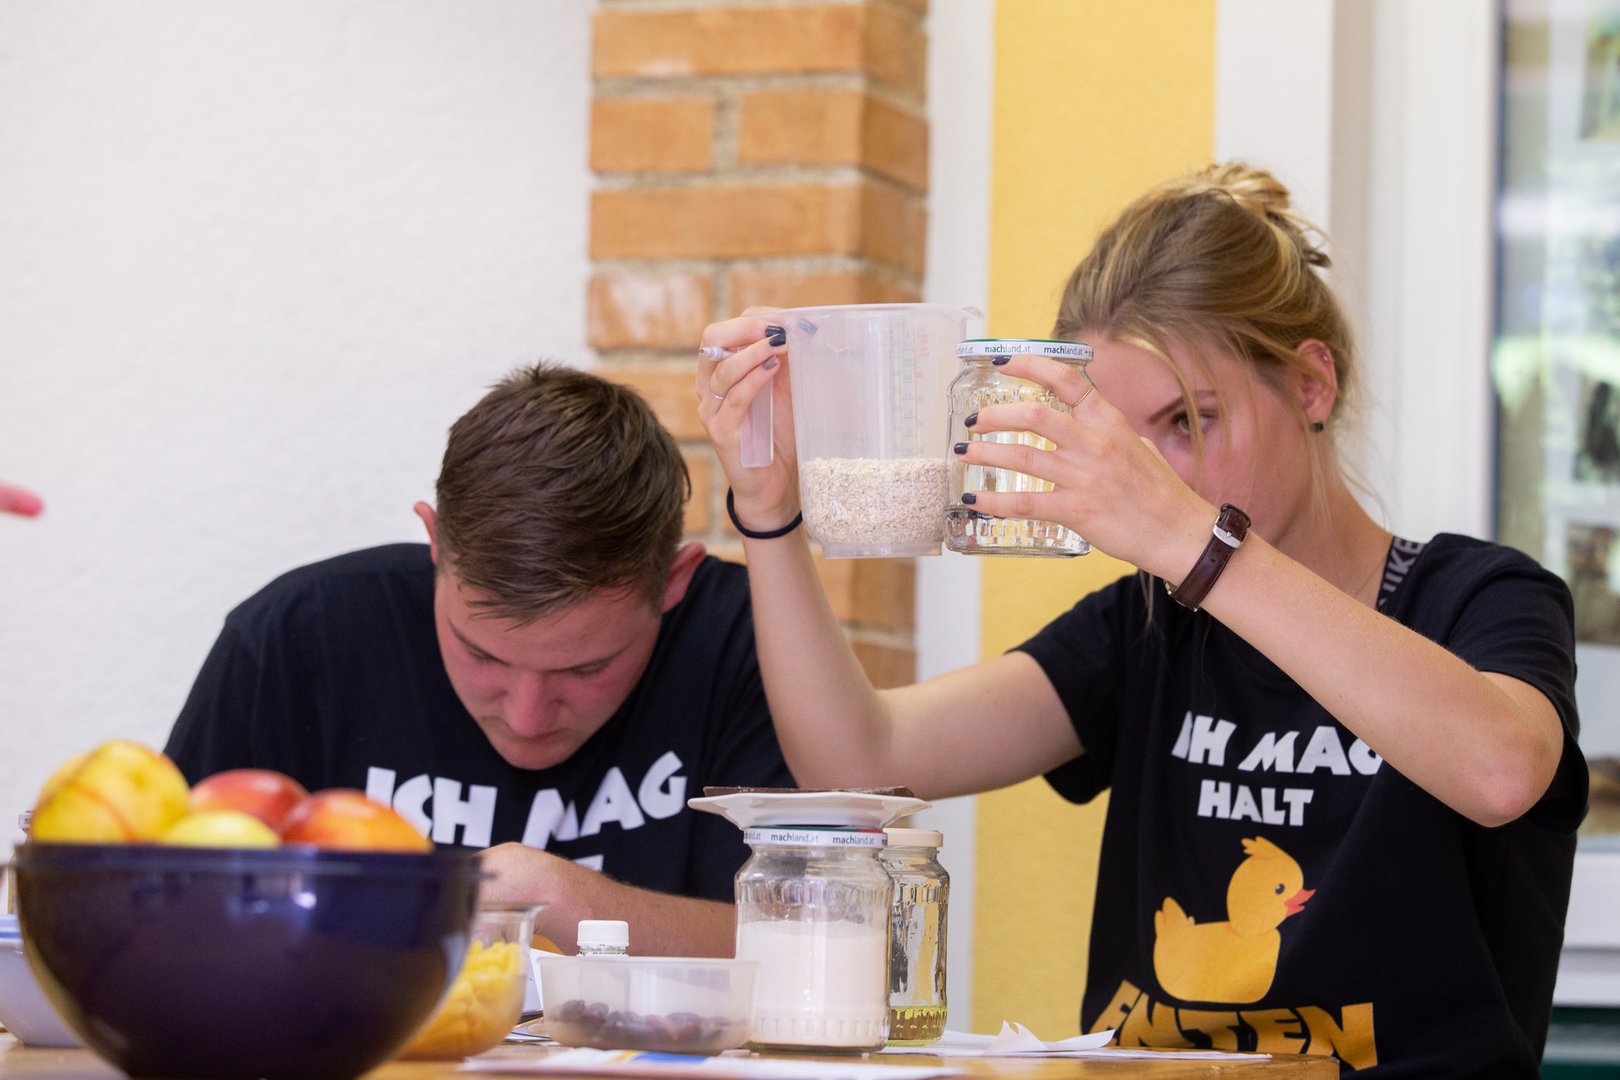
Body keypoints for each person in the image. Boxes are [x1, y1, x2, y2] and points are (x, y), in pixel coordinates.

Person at [697, 163, 1586, 1075]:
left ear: (1310, 384)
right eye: (1124, 441)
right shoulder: (1149, 624)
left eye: (1191, 421)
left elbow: (1502, 771)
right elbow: (859, 762)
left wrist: (1193, 542)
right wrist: (770, 513)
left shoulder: (1477, 595)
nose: (1155, 478)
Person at [166, 362, 794, 956]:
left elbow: (819, 942)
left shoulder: (751, 643)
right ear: (435, 545)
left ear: (674, 583)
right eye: (481, 654)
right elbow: (160, 909)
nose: (526, 717)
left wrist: (565, 901)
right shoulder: (299, 638)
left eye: (586, 669)